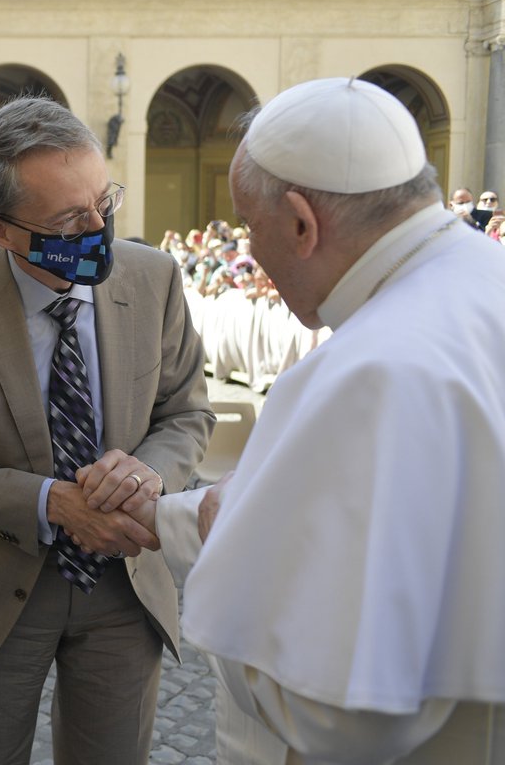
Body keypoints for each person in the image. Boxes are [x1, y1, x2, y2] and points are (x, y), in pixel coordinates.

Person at [130, 77, 505, 763]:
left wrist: (234, 619)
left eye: (251, 226)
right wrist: (167, 519)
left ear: (302, 223)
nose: (253, 252)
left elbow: (345, 718)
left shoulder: (374, 370)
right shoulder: (486, 281)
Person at [0, 96, 214, 764]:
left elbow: (188, 411)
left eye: (107, 202)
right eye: (72, 219)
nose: (99, 227)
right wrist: (54, 505)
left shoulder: (154, 278)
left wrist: (148, 471)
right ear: (1, 229)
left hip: (125, 584)